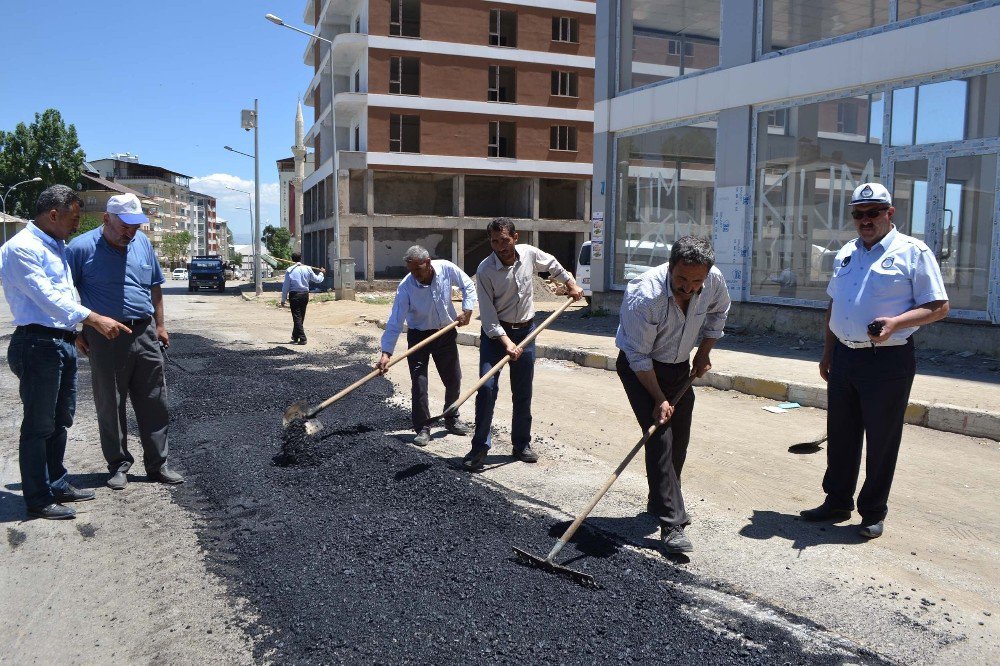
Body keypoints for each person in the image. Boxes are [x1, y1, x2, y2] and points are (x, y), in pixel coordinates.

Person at [802, 182, 949, 539]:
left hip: (887, 360)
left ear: (889, 213)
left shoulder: (913, 252)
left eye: (873, 212)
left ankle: (872, 512)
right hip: (845, 357)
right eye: (858, 214)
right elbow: (835, 305)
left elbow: (939, 306)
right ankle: (836, 501)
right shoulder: (846, 253)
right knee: (841, 434)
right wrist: (828, 352)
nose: (865, 220)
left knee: (882, 439)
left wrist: (896, 323)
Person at [0, 185, 131, 519]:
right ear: (54, 214)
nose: (76, 226)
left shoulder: (55, 244)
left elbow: (65, 294)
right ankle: (38, 497)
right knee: (38, 425)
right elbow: (46, 297)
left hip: (59, 341)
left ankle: (56, 482)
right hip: (37, 345)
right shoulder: (21, 248)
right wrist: (93, 318)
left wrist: (73, 333)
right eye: (73, 218)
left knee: (60, 420)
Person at [615, 235, 731, 554]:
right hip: (641, 368)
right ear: (670, 266)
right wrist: (658, 398)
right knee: (660, 436)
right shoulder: (645, 294)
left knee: (679, 438)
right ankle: (672, 523)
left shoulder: (713, 281)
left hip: (679, 366)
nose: (689, 287)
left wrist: (703, 353)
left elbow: (717, 315)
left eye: (697, 281)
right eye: (681, 278)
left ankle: (662, 501)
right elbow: (637, 356)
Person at [67, 193, 183, 491]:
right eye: (125, 226)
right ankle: (119, 465)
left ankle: (158, 465)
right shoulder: (80, 249)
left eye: (135, 225)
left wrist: (160, 325)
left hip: (144, 332)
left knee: (155, 400)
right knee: (110, 402)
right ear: (106, 218)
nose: (130, 232)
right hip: (105, 336)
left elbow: (155, 286)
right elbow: (64, 294)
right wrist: (76, 330)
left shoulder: (142, 243)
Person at [464, 218, 584, 471]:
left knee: (522, 392)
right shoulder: (485, 270)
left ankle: (521, 444)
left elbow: (551, 264)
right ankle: (479, 448)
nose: (500, 246)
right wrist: (506, 342)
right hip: (496, 336)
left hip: (527, 332)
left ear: (515, 237)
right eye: (495, 241)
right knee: (486, 389)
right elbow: (487, 316)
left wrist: (570, 283)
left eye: (504, 240)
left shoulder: (528, 254)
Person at [376, 245, 477, 445]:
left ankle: (451, 416)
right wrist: (386, 353)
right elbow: (395, 320)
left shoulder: (446, 268)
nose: (414, 275)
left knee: (453, 379)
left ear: (428, 263)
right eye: (411, 270)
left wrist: (467, 309)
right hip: (419, 338)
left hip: (445, 333)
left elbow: (468, 285)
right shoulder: (406, 287)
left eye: (418, 270)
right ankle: (423, 427)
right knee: (419, 383)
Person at [280, 252, 325, 345]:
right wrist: (321, 273)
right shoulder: (307, 269)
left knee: (296, 317)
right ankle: (295, 336)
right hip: (305, 295)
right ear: (301, 258)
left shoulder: (289, 270)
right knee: (300, 317)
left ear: (292, 259)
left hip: (295, 295)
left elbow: (285, 286)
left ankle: (303, 338)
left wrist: (283, 299)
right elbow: (317, 279)